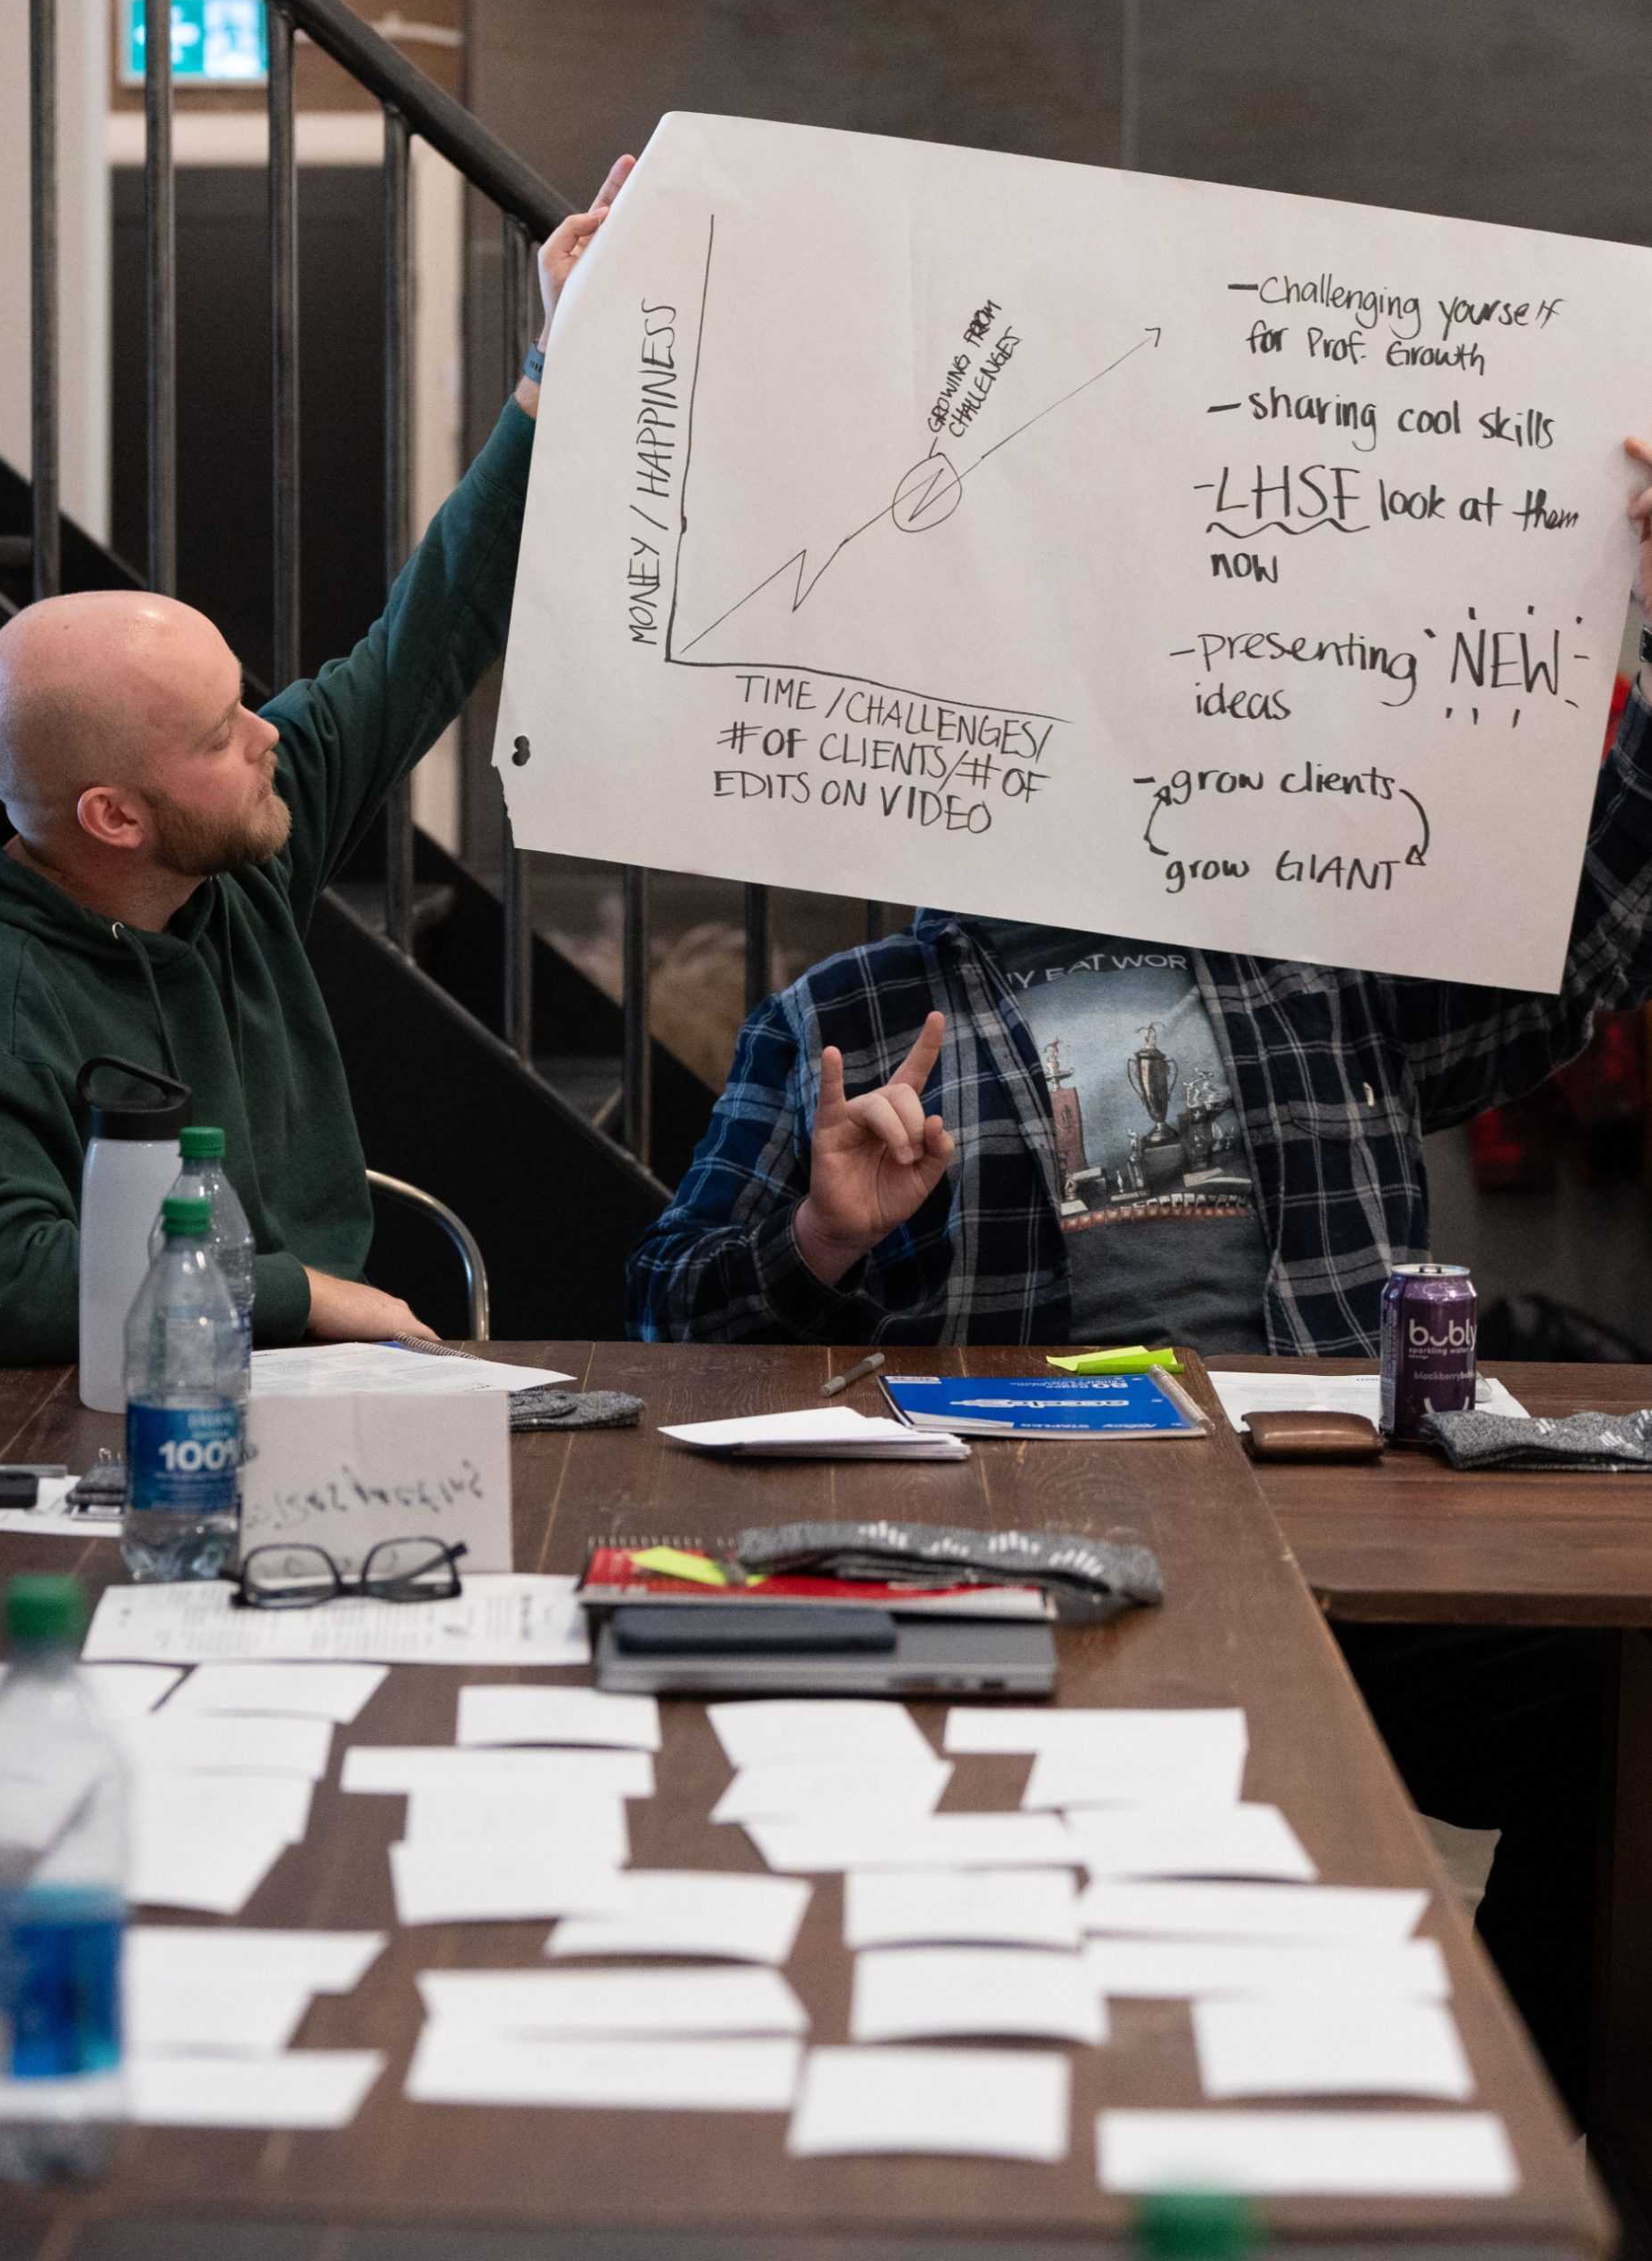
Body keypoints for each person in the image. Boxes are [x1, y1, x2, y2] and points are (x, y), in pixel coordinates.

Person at [626, 438, 1652, 2125]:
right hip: (1023, 1546)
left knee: (1611, 1711)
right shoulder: (854, 1009)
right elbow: (675, 1321)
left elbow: (1590, 938)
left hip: (1347, 1535)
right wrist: (820, 1240)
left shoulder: (1315, 952)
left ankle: (1541, 2138)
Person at [0, 154, 634, 1367]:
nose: (269, 735)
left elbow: (426, 637)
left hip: (321, 1386)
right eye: (219, 735)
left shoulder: (228, 862)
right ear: (115, 816)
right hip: (129, 1418)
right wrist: (302, 1295)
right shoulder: (15, 988)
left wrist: (556, 368)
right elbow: (17, 1275)